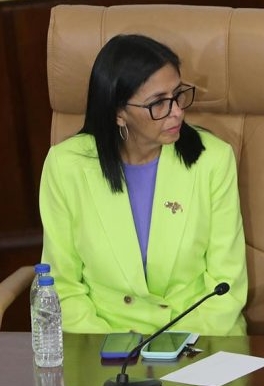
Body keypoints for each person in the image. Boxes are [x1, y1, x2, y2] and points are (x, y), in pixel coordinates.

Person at [38, 34, 248, 335]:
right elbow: (63, 285)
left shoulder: (212, 159)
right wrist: (111, 350)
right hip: (103, 341)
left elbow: (226, 284)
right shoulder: (65, 166)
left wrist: (171, 349)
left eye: (178, 95)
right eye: (158, 103)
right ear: (118, 113)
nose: (177, 111)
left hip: (200, 338)